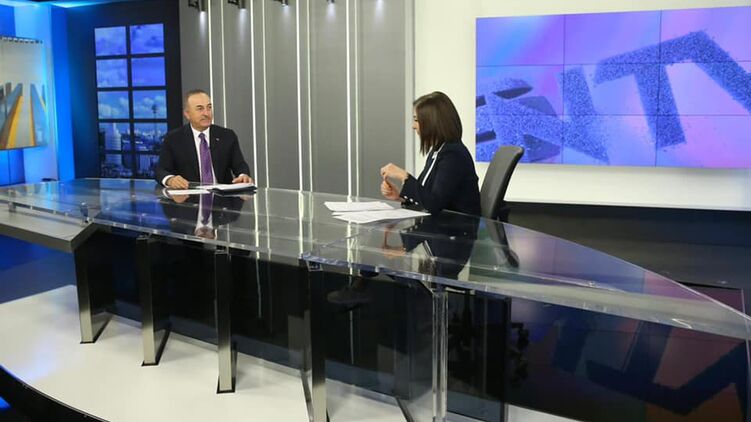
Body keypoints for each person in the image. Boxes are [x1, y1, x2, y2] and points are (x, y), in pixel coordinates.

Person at [380, 91, 480, 216]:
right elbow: (428, 195)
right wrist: (400, 197)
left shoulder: (453, 155)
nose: (413, 126)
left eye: (416, 120)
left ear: (432, 122)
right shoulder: (439, 150)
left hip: (457, 225)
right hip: (445, 223)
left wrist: (403, 176)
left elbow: (435, 204)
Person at [155, 89, 254, 189]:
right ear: (187, 114)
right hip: (189, 196)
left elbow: (240, 165)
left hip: (222, 196)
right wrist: (170, 180)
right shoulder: (173, 139)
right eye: (200, 109)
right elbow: (160, 170)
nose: (206, 113)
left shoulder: (227, 136)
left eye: (209, 107)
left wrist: (243, 175)